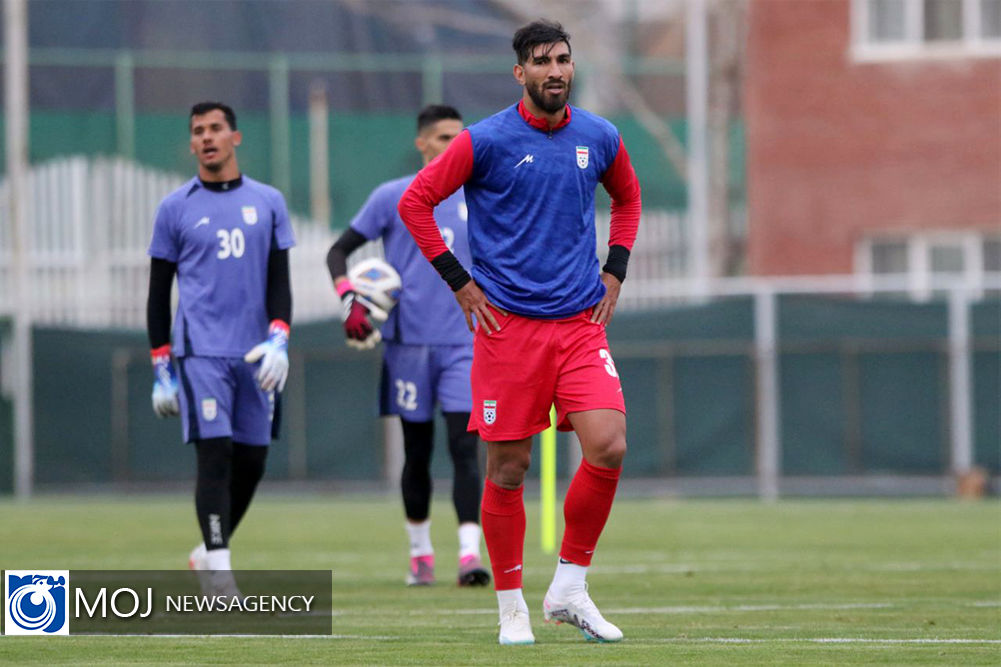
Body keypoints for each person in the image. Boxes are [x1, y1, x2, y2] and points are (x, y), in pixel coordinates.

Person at [398, 20, 642, 644]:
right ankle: (511, 607)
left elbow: (628, 199)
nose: (555, 70)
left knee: (609, 444)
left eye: (563, 60)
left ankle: (569, 586)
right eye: (542, 62)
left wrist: (614, 271)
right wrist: (459, 281)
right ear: (520, 73)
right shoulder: (485, 141)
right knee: (509, 468)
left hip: (581, 324)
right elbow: (416, 203)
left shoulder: (599, 135)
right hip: (507, 331)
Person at [326, 104, 490, 588]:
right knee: (417, 453)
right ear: (421, 143)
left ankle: (468, 556)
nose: (453, 146)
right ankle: (420, 554)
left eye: (459, 138)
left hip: (465, 342)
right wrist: (349, 302)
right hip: (408, 347)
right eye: (443, 138)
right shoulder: (393, 196)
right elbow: (337, 251)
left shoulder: (477, 197)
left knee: (466, 446)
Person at [146, 101, 295, 597]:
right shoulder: (175, 208)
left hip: (255, 356)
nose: (206, 137)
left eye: (215, 129)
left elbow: (280, 282)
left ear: (235, 137)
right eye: (197, 131)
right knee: (215, 454)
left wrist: (280, 339)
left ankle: (207, 551)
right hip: (200, 352)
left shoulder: (269, 201)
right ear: (191, 144)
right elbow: (157, 294)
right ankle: (220, 573)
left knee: (252, 461)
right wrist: (162, 368)